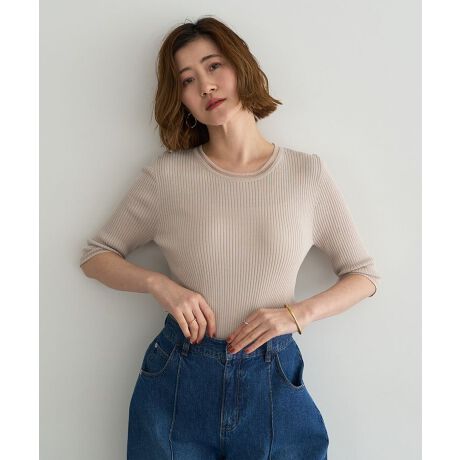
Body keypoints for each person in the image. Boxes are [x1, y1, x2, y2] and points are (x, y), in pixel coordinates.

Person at [80, 16, 380, 460]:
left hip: (273, 377)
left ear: (240, 67)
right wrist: (159, 285)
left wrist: (296, 315)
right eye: (187, 79)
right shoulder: (167, 177)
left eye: (213, 65)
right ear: (181, 98)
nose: (205, 85)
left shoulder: (306, 174)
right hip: (180, 376)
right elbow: (96, 255)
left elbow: (363, 275)